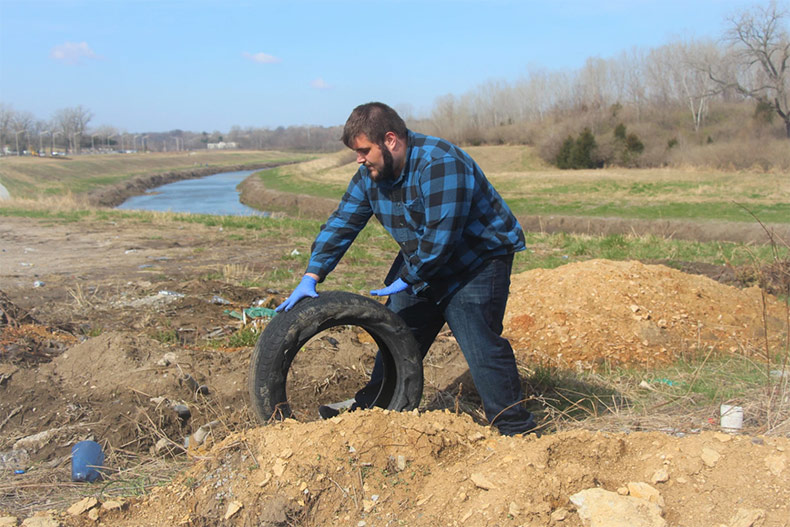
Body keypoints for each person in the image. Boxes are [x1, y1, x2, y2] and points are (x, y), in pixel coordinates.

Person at [276, 102, 537, 436]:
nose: (359, 159)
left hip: (475, 261)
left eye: (364, 150)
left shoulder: (440, 163)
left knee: (480, 344)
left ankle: (516, 430)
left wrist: (409, 278)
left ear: (391, 140)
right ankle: (375, 409)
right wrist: (312, 275)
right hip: (422, 257)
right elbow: (342, 222)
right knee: (396, 336)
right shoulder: (371, 175)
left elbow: (442, 236)